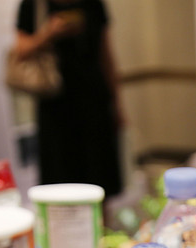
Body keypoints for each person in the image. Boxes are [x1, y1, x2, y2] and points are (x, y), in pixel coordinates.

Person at [14, 0, 123, 198]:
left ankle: (100, 226)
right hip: (56, 107)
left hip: (94, 101)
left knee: (99, 177)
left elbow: (106, 55)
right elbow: (20, 50)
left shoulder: (93, 4)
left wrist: (117, 105)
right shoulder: (33, 5)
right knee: (60, 179)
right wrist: (49, 32)